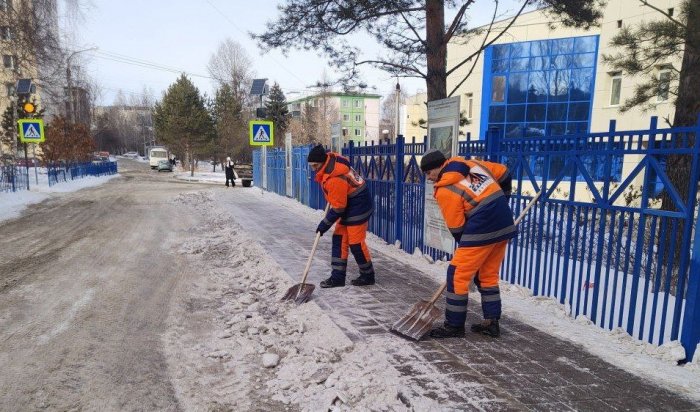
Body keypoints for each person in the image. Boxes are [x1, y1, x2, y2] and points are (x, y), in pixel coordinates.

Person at [420, 149, 515, 338]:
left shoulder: (445, 188)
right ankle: (491, 322)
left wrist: (465, 246)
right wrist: (504, 199)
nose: (429, 178)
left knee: (456, 274)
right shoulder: (473, 165)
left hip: (482, 227)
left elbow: (456, 226)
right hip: (504, 222)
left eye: (429, 173)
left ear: (439, 167)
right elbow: (504, 172)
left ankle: (454, 326)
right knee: (487, 274)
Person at [307, 145, 375, 288]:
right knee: (339, 238)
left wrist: (324, 224)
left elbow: (338, 208)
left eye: (315, 165)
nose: (314, 169)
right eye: (311, 166)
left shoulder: (335, 177)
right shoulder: (329, 164)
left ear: (322, 161)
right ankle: (338, 278)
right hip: (348, 202)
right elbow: (339, 202)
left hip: (359, 204)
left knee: (355, 242)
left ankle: (368, 275)